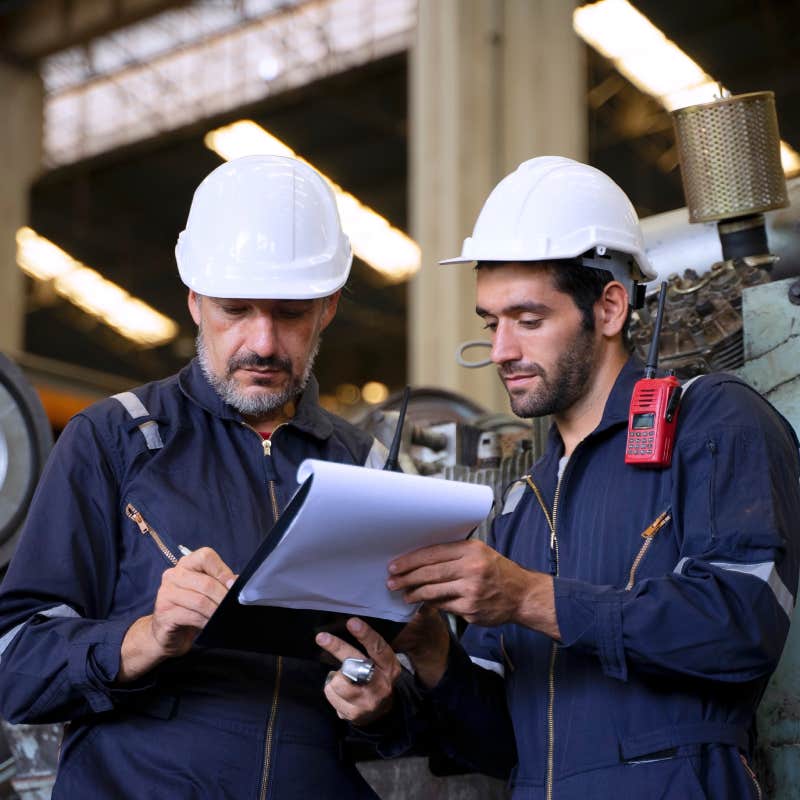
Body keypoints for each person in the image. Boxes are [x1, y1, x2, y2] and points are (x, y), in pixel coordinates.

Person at [318, 156, 800, 799]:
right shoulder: (522, 502)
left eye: (529, 319)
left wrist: (527, 597)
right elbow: (497, 744)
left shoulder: (710, 420)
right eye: (492, 323)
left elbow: (744, 625)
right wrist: (430, 650)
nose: (501, 352)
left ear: (608, 307)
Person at [0, 154, 392, 798]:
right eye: (236, 309)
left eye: (290, 313)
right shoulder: (114, 441)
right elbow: (15, 666)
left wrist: (384, 698)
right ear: (195, 300)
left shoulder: (367, 470)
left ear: (328, 308)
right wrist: (144, 638)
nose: (263, 342)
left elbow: (413, 708)